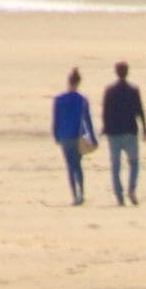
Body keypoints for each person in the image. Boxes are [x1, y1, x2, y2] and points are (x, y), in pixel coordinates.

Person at [100, 62, 146, 207]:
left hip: (114, 133)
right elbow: (140, 110)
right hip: (130, 131)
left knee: (115, 166)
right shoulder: (133, 90)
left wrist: (105, 128)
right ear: (127, 72)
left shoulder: (109, 90)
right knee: (134, 163)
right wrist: (145, 128)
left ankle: (119, 195)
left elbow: (105, 111)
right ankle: (131, 189)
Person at [50, 70, 96, 205]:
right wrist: (92, 137)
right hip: (78, 136)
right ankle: (81, 193)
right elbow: (87, 120)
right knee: (78, 165)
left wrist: (55, 135)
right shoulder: (82, 99)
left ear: (68, 82)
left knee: (70, 166)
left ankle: (75, 196)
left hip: (64, 136)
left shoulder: (59, 99)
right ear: (78, 83)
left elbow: (56, 120)